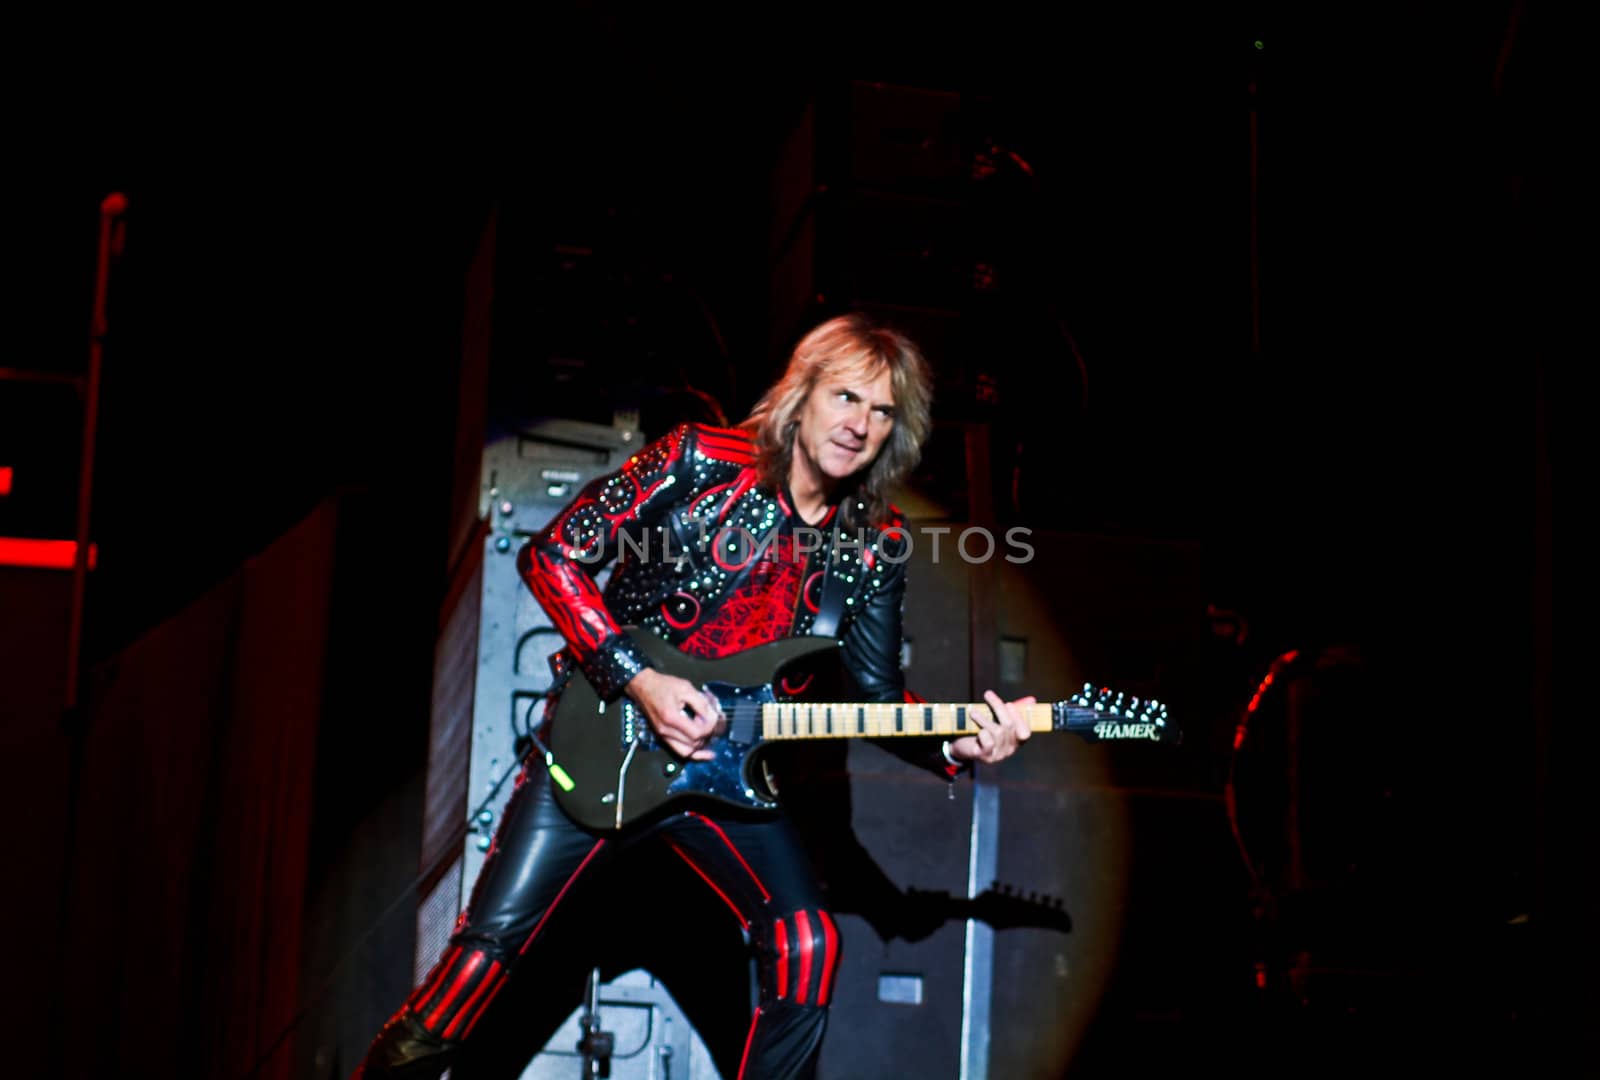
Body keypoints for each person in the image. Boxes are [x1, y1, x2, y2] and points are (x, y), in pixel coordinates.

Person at [355, 313, 1035, 1078]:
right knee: (482, 959)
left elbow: (877, 695)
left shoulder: (875, 543)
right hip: (604, 741)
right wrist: (641, 681)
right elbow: (557, 556)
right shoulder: (700, 459)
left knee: (808, 944)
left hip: (728, 776)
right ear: (801, 393)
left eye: (883, 412)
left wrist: (955, 741)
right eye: (847, 398)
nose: (861, 425)